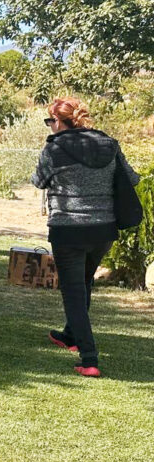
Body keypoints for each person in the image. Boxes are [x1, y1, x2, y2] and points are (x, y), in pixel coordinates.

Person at [32, 97, 139, 378]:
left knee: (73, 293)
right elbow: (133, 178)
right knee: (84, 281)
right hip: (103, 230)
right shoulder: (109, 144)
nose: (49, 126)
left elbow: (38, 181)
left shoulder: (53, 148)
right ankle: (70, 334)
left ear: (59, 121)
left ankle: (89, 357)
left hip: (68, 228)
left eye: (50, 121)